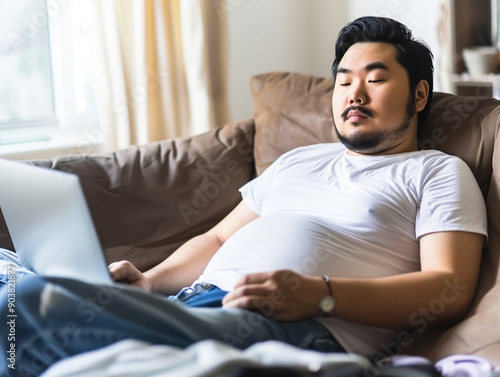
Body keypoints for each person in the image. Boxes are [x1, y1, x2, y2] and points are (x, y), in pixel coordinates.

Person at [0, 16, 488, 375]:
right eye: (343, 81)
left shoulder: (437, 172)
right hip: (192, 307)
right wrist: (149, 281)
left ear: (419, 96)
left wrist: (319, 295)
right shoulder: (300, 160)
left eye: (375, 79)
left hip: (286, 328)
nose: (353, 94)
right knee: (8, 272)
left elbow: (448, 286)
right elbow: (215, 239)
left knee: (23, 304)